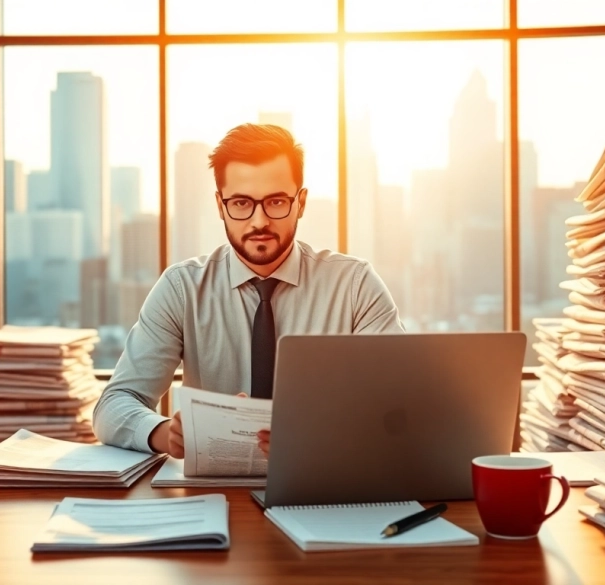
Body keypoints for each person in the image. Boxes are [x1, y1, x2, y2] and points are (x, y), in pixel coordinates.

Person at [92, 123, 404, 457]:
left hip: (327, 479)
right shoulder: (182, 288)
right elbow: (114, 404)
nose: (259, 221)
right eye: (241, 203)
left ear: (301, 202)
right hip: (217, 493)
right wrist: (165, 433)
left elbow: (401, 403)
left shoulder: (355, 286)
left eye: (276, 201)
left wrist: (328, 429)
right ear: (220, 205)